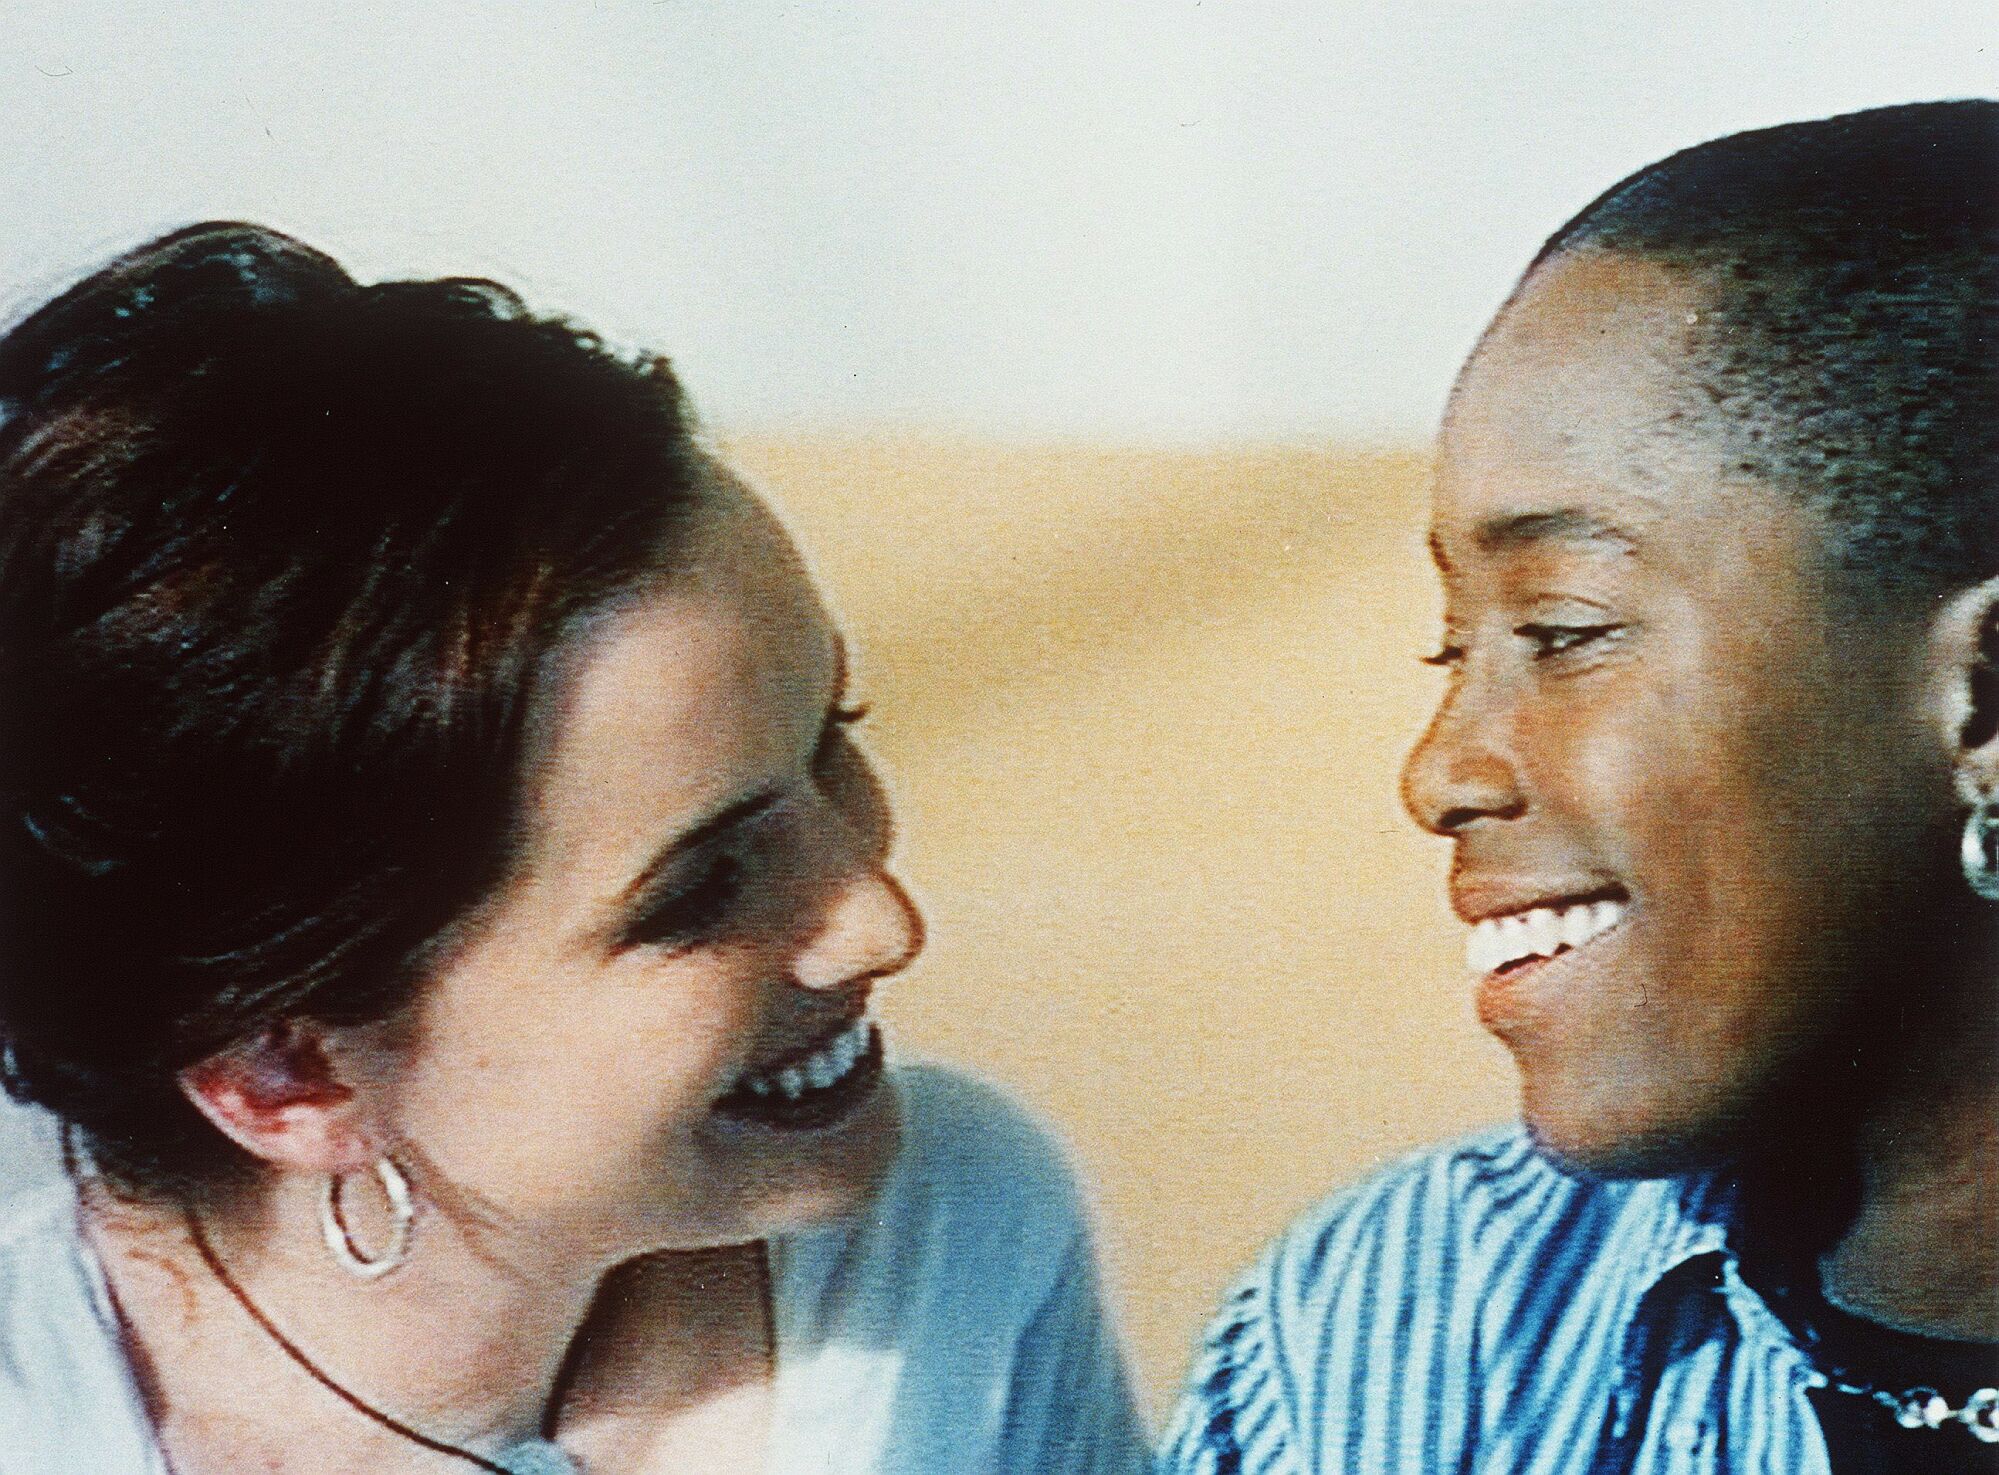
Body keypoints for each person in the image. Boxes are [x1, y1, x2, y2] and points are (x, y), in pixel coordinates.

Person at [0, 223, 1146, 1474]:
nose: (881, 920)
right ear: (289, 1072)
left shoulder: (946, 1236)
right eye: (700, 891)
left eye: (831, 739)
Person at [1161, 100, 1998, 1473]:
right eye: (1450, 643)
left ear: (1982, 699)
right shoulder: (1388, 1330)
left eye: (1558, 629)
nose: (1436, 770)